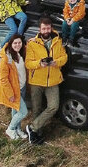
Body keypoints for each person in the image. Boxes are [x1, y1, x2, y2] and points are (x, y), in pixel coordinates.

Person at [24, 15, 68, 144]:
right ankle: (36, 135)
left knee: (53, 107)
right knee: (36, 109)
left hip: (53, 81)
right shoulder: (32, 44)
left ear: (51, 28)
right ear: (40, 29)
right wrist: (39, 63)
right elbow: (28, 63)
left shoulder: (58, 41)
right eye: (43, 29)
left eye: (48, 28)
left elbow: (64, 57)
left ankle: (31, 128)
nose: (46, 31)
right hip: (37, 81)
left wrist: (56, 62)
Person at [0, 33, 29, 140]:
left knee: (16, 110)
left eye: (19, 42)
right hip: (14, 90)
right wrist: (10, 94)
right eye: (15, 43)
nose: (17, 45)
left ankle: (18, 129)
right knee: (23, 112)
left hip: (22, 87)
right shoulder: (6, 58)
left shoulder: (20, 53)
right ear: (10, 44)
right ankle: (10, 129)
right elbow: (3, 79)